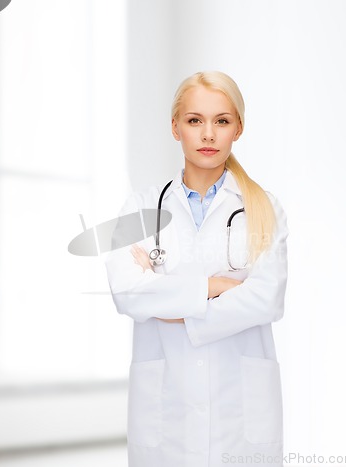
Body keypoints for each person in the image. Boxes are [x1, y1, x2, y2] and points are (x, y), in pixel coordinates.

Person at [105, 71, 288, 467]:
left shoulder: (264, 208)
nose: (208, 134)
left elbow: (266, 300)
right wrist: (214, 286)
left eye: (221, 121)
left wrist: (168, 299)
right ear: (175, 127)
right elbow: (127, 292)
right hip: (165, 413)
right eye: (194, 120)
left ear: (238, 128)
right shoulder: (140, 208)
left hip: (240, 412)